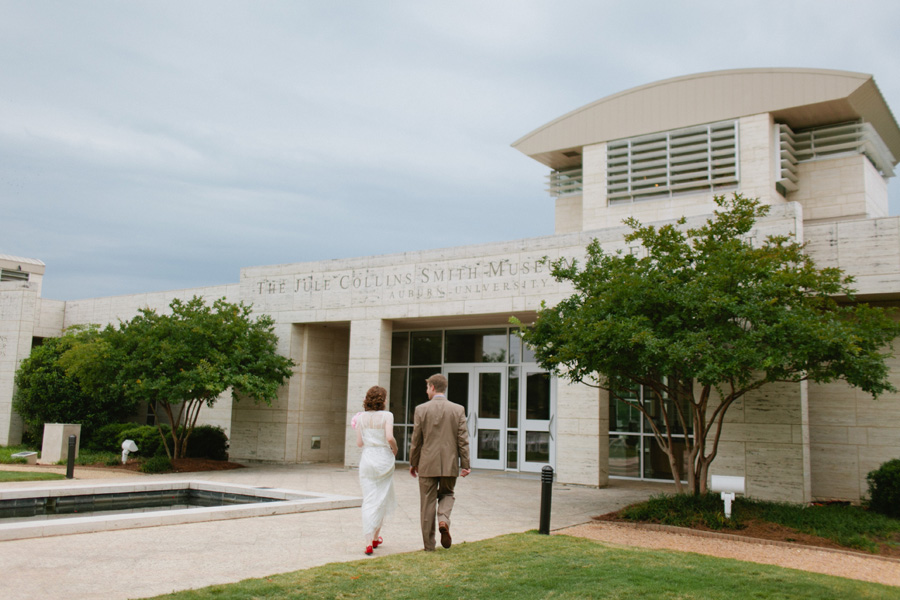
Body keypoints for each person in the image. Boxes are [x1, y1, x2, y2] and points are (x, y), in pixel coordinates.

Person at [409, 373, 470, 551]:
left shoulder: (421, 409)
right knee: (448, 493)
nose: (426, 391)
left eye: (427, 387)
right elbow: (463, 440)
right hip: (450, 463)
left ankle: (429, 546)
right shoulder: (458, 409)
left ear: (433, 387)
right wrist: (465, 464)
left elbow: (416, 440)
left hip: (427, 464)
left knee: (427, 503)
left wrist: (413, 462)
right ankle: (443, 519)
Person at [355, 385, 398, 555]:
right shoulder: (387, 415)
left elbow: (359, 443)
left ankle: (369, 540)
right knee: (382, 498)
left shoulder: (361, 418)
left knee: (369, 499)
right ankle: (375, 537)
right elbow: (389, 437)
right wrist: (395, 449)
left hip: (367, 458)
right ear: (383, 400)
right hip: (383, 458)